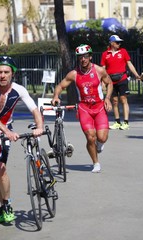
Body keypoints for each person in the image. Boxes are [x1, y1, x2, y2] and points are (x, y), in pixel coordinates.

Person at [0, 56, 44, 223]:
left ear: (12, 74)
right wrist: (7, 130)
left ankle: (7, 204)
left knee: (0, 169)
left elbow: (35, 110)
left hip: (3, 134)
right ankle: (2, 205)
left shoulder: (19, 90)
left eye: (6, 72)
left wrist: (40, 126)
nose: (2, 75)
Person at [51, 44, 113, 173]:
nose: (83, 59)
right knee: (90, 137)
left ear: (90, 57)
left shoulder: (99, 70)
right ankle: (95, 163)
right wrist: (56, 96)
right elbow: (60, 86)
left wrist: (107, 98)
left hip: (99, 107)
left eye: (85, 56)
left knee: (102, 138)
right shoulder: (74, 74)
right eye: (80, 57)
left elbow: (110, 82)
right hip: (84, 108)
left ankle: (99, 145)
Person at [101, 35, 140, 130]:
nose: (119, 44)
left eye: (119, 42)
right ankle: (117, 121)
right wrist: (103, 82)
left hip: (122, 78)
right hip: (111, 81)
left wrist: (136, 75)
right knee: (114, 101)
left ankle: (126, 122)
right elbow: (103, 68)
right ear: (111, 43)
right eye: (117, 42)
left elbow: (129, 64)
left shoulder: (123, 52)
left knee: (123, 99)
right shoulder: (105, 54)